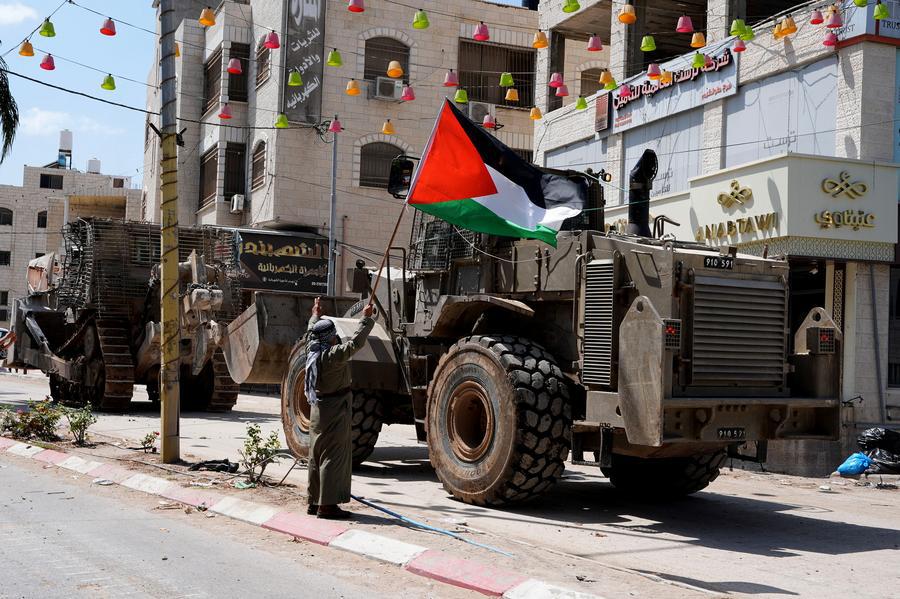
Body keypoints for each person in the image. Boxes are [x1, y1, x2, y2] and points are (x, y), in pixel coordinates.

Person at [305, 297, 375, 519]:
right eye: (334, 334)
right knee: (333, 456)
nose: (336, 336)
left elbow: (310, 332)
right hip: (336, 408)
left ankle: (313, 502)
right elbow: (355, 344)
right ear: (330, 337)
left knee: (316, 454)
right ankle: (327, 507)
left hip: (318, 408)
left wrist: (315, 314)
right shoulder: (332, 356)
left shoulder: (312, 350)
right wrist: (366, 319)